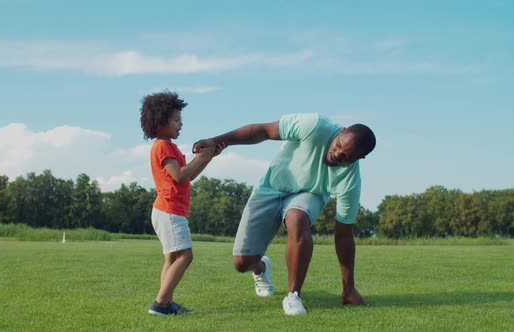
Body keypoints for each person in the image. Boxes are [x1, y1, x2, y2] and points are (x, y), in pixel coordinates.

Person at [193, 113, 375, 315]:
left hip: (309, 195)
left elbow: (344, 235)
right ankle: (261, 268)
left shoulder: (350, 182)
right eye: (338, 145)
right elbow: (263, 130)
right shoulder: (314, 126)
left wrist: (348, 288)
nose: (337, 154)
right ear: (341, 132)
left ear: (360, 158)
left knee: (297, 218)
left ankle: (293, 295)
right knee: (242, 263)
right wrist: (217, 141)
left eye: (347, 157)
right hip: (270, 189)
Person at [140, 90, 224, 316]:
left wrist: (207, 158)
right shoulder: (163, 147)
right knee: (186, 256)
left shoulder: (170, 147)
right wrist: (202, 157)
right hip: (169, 211)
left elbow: (189, 175)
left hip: (167, 211)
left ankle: (165, 303)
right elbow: (178, 175)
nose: (181, 125)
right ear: (160, 122)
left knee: (171, 257)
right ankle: (160, 303)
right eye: (176, 120)